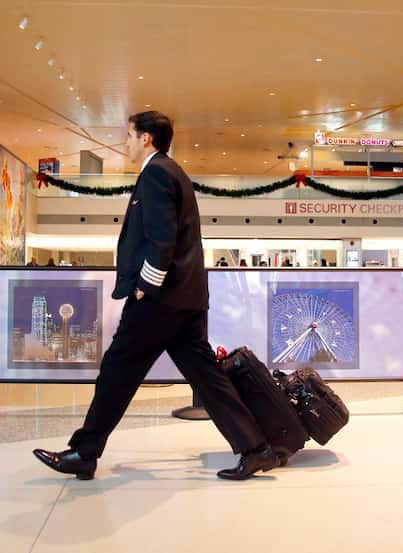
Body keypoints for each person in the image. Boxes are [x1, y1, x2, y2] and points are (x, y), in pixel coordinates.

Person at [32, 111, 276, 481]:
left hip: (160, 300)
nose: (124, 143)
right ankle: (256, 449)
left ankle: (84, 452)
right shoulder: (172, 171)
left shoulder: (157, 173)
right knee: (207, 378)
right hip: (184, 298)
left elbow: (162, 239)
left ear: (146, 139)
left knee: (117, 370)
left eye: (128, 136)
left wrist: (146, 287)